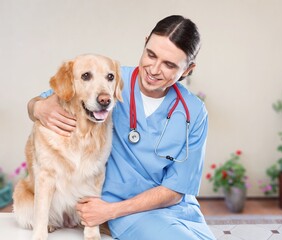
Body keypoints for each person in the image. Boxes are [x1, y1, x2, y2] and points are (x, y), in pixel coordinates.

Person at [27, 15, 215, 240]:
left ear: (187, 69)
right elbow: (48, 99)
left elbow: (176, 190)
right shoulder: (112, 80)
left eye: (169, 65)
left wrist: (109, 211)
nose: (154, 69)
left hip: (179, 210)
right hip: (130, 212)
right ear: (145, 43)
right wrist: (36, 108)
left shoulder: (194, 112)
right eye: (151, 54)